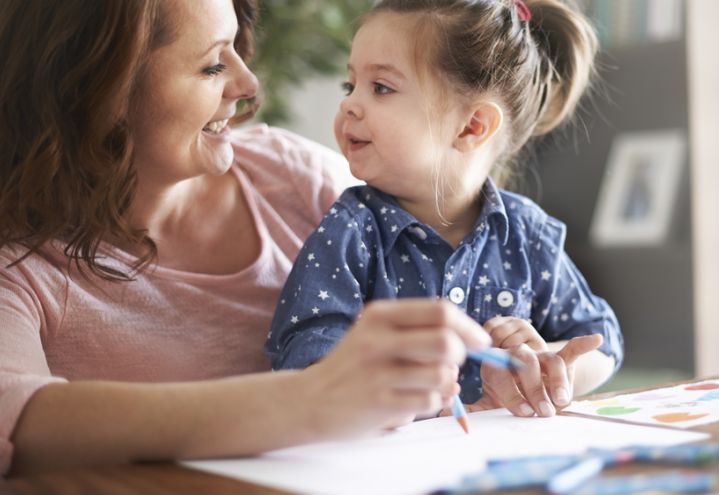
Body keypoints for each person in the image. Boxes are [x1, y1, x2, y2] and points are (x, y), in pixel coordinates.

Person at [0, 0, 495, 485]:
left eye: (235, 51)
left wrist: (509, 349)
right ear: (101, 92)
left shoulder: (295, 178)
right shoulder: (0, 265)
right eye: (213, 65)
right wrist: (311, 399)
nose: (248, 84)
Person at [266, 0, 624, 418]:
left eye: (381, 87)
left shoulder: (529, 235)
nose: (349, 104)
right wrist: (382, 380)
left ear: (472, 127)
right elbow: (301, 357)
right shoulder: (350, 230)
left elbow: (602, 340)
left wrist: (547, 365)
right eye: (351, 85)